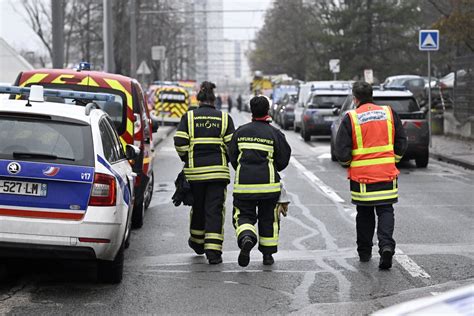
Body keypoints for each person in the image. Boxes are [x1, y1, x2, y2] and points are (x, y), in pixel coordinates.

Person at [335, 81, 407, 270]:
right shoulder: (389, 113)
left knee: (365, 214)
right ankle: (386, 247)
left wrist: (347, 163)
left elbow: (341, 150)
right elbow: (401, 140)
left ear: (354, 98)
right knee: (385, 210)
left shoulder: (351, 117)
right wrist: (395, 159)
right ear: (372, 95)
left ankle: (365, 252)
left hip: (362, 178)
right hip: (386, 173)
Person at [174, 81, 235, 264]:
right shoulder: (225, 118)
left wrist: (187, 159)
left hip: (195, 174)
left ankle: (198, 242)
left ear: (198, 99)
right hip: (218, 173)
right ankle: (213, 252)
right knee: (215, 209)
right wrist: (225, 159)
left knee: (198, 207)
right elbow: (232, 146)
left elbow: (180, 142)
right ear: (214, 99)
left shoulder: (189, 117)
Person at [228, 95, 291, 267]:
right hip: (269, 187)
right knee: (269, 219)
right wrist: (272, 167)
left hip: (244, 186)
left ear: (251, 111)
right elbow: (284, 159)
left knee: (243, 215)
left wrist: (243, 170)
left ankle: (247, 237)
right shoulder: (275, 133)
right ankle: (268, 256)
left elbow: (232, 157)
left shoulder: (240, 132)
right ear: (268, 111)